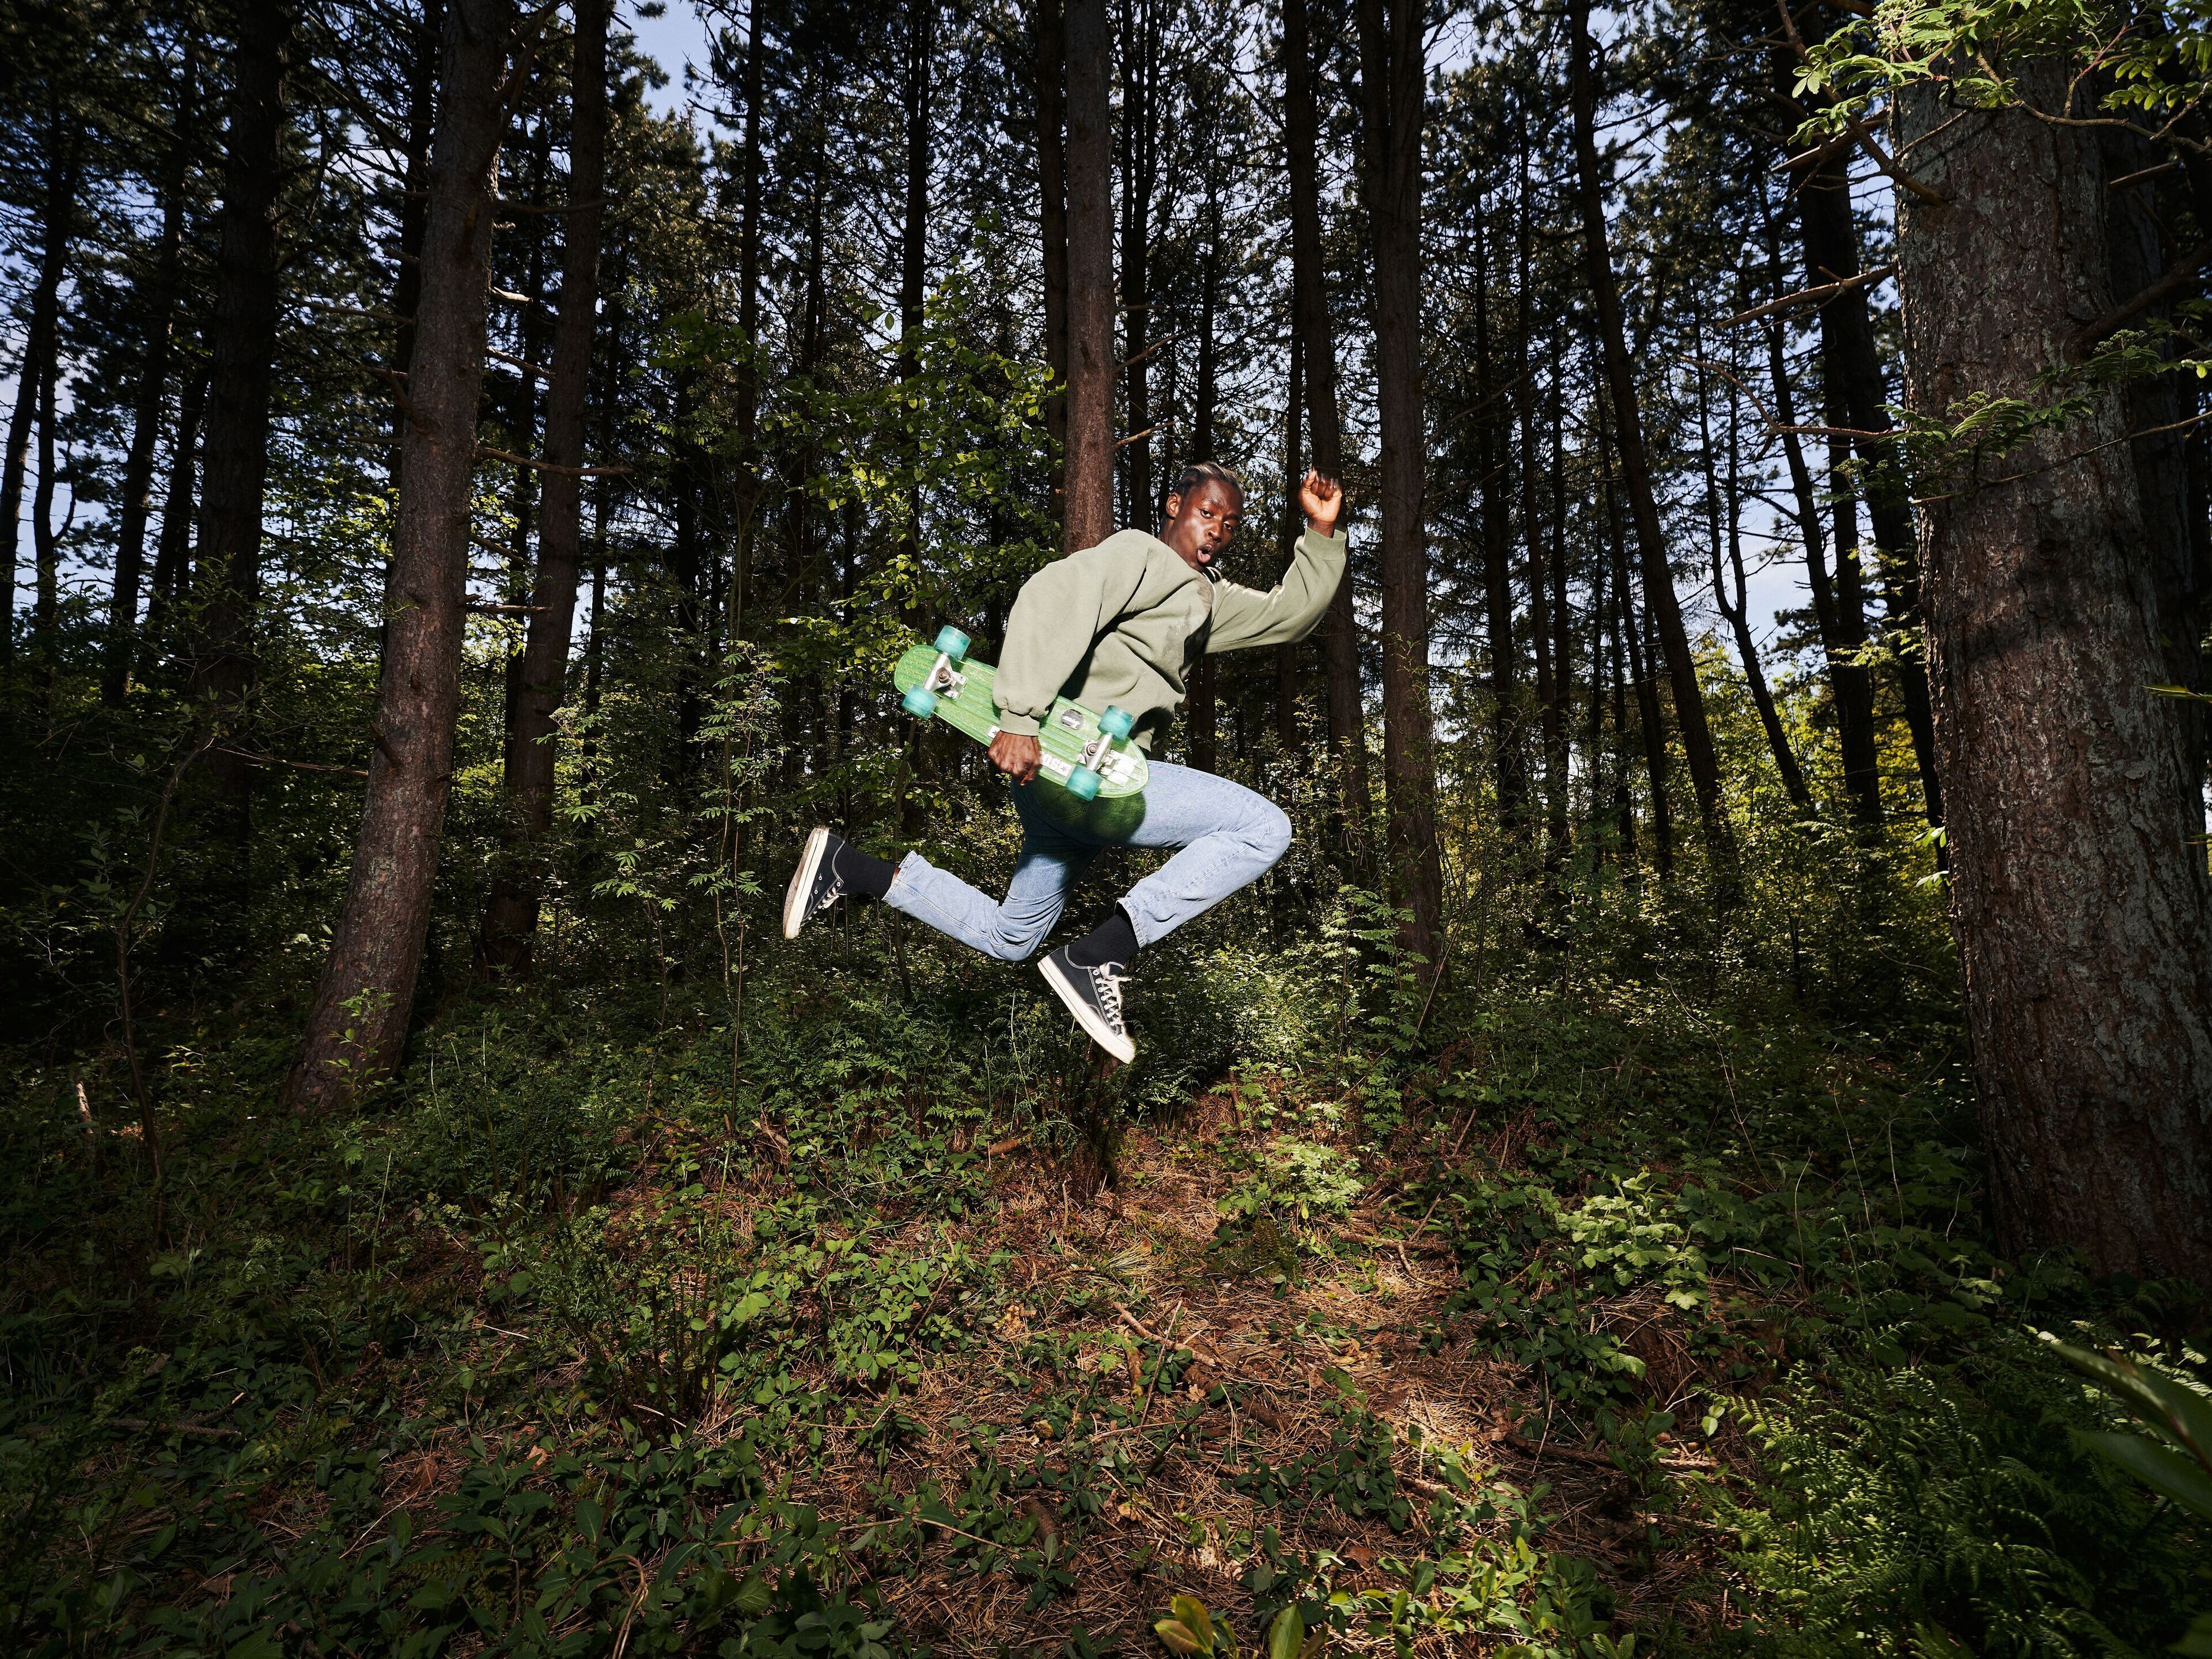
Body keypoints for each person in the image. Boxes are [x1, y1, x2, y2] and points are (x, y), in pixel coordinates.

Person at [783, 463, 1346, 1063]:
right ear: (1174, 505)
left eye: (1229, 525)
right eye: (1206, 514)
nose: (1216, 532)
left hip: (1067, 794)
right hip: (1081, 768)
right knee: (1263, 828)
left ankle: (850, 867)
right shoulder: (1139, 556)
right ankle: (1101, 953)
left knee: (1012, 939)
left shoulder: (1205, 599)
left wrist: (1320, 532)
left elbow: (1289, 618)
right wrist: (1020, 717)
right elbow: (1054, 595)